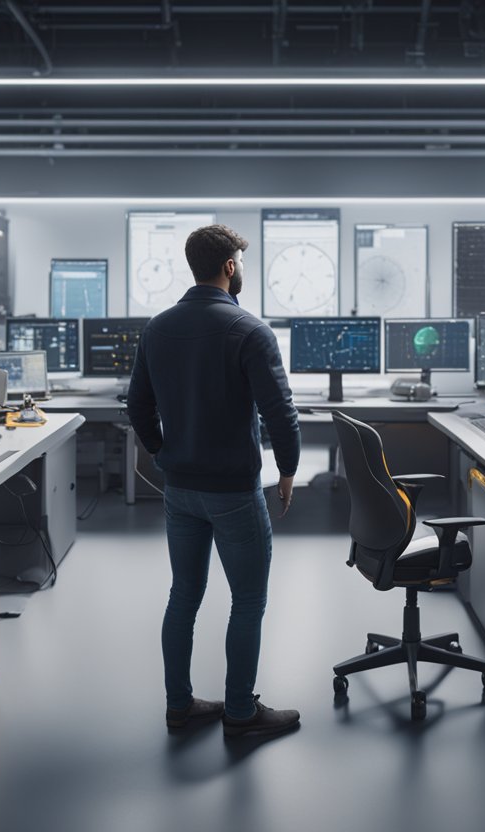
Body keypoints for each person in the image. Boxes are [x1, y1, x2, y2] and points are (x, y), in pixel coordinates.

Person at [127, 224, 301, 738]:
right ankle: (241, 713)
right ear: (229, 266)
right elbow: (281, 414)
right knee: (247, 602)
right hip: (233, 493)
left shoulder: (157, 328)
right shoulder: (249, 331)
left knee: (184, 594)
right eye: (241, 262)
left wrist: (166, 453)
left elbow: (138, 407)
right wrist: (287, 472)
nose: (242, 269)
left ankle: (179, 706)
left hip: (180, 490)